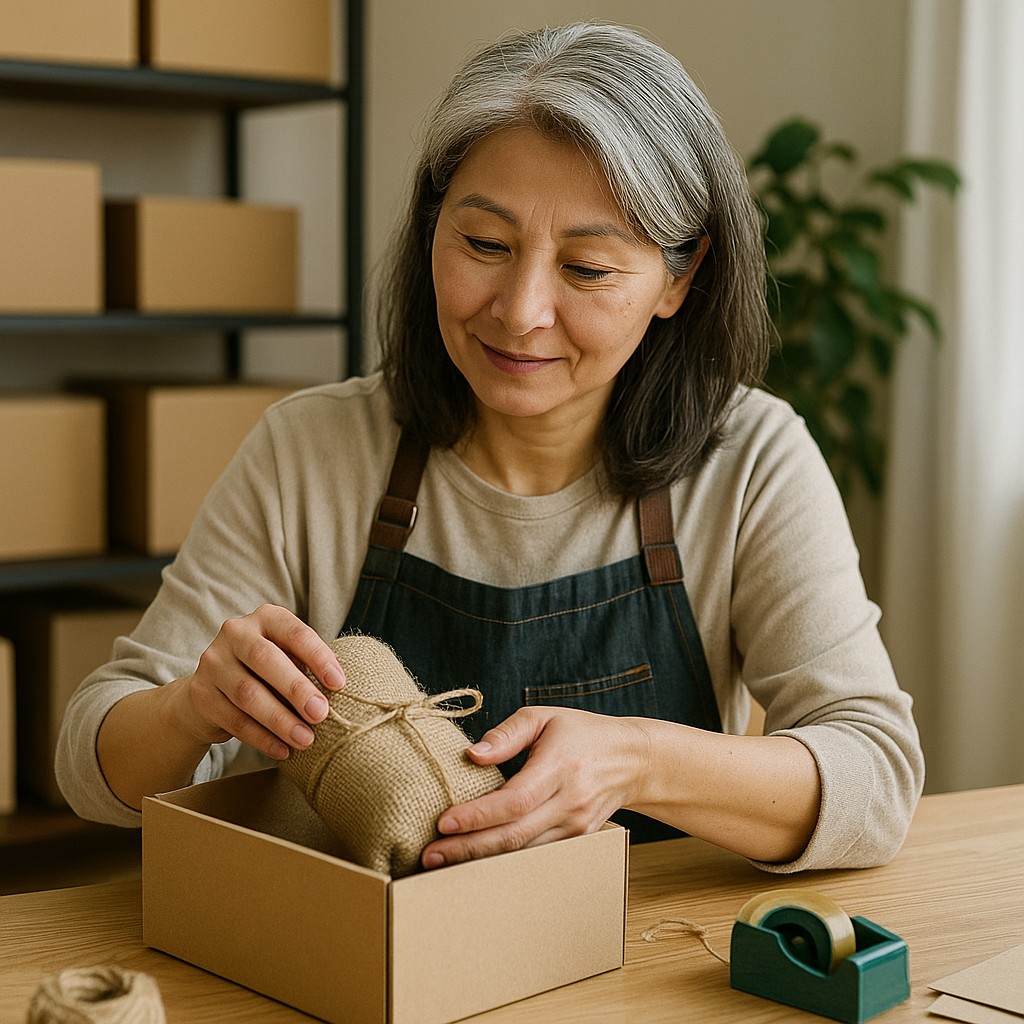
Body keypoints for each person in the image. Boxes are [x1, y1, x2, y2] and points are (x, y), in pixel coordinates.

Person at [56, 22, 923, 873]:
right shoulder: (312, 451)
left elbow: (878, 779)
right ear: (433, 226)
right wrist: (191, 711)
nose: (520, 310)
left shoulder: (753, 461)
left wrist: (643, 762)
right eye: (484, 244)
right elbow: (90, 766)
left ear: (680, 279)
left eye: (586, 268)